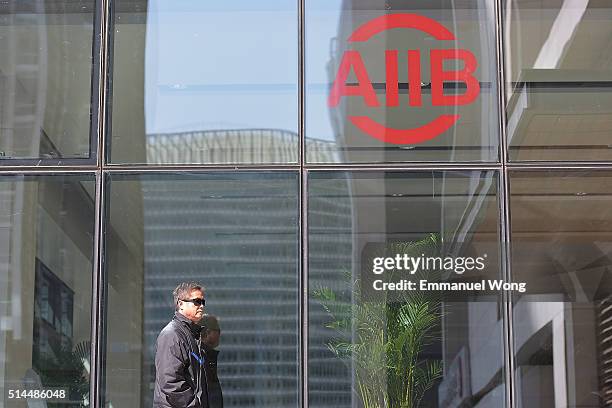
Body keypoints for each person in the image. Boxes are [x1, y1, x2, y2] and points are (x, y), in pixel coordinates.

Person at [153, 282, 207, 408]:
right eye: (197, 301)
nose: (201, 306)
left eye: (203, 302)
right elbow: (170, 382)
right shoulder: (171, 335)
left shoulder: (191, 334)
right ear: (180, 304)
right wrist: (194, 405)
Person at [199, 314, 223, 408]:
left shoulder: (205, 356)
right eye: (218, 331)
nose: (219, 334)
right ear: (208, 332)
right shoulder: (200, 359)